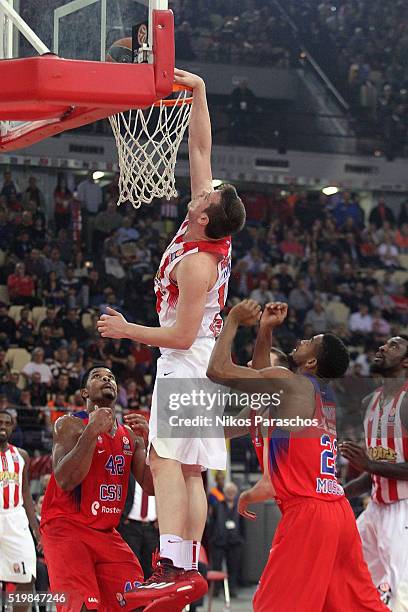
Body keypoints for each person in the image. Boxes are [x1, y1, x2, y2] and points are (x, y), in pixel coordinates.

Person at [97, 68, 246, 610]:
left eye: (208, 195)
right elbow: (201, 146)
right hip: (199, 366)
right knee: (189, 469)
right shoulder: (206, 224)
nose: (201, 189)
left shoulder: (198, 267)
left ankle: (171, 565)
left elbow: (181, 334)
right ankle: (186, 567)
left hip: (187, 363)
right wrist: (202, 92)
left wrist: (125, 329)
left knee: (166, 464)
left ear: (207, 215)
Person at [207, 300, 387, 612]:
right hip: (338, 511)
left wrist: (233, 320)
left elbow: (217, 370)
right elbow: (263, 383)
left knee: (274, 605)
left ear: (313, 362)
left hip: (309, 515)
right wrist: (264, 329)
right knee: (354, 604)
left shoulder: (292, 385)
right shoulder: (319, 394)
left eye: (310, 342)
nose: (302, 340)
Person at [40, 365, 154, 612]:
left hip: (105, 532)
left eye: (111, 377)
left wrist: (152, 444)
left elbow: (152, 487)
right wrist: (92, 431)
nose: (106, 379)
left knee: (136, 601)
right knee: (83, 607)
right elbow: (65, 480)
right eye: (98, 376)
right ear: (84, 393)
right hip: (66, 527)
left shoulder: (131, 437)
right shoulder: (69, 425)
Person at [341, 336, 408, 610]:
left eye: (393, 346)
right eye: (383, 344)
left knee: (402, 591)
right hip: (376, 508)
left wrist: (369, 464)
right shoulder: (370, 401)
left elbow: (373, 466)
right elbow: (374, 474)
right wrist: (339, 493)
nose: (381, 347)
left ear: (406, 362)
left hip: (403, 508)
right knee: (349, 571)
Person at [0, 410, 41, 612]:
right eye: (0, 422)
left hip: (15, 519)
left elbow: (26, 494)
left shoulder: (21, 455)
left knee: (28, 575)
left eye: (7, 423)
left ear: (12, 427)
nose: (3, 426)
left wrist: (36, 528)